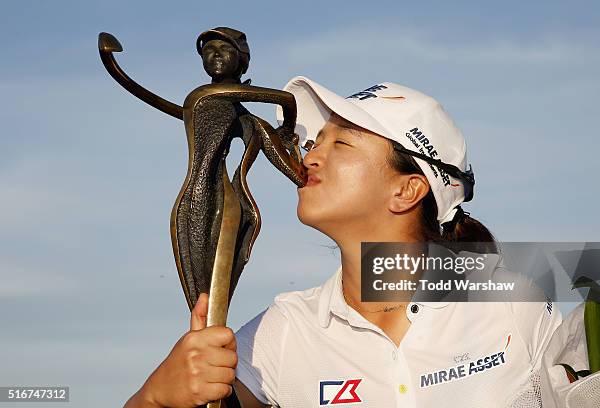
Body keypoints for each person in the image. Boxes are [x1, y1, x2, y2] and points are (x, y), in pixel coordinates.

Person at [124, 77, 562, 408]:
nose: (310, 156)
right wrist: (156, 397)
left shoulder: (513, 305)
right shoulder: (285, 331)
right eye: (316, 142)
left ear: (408, 190)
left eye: (342, 143)